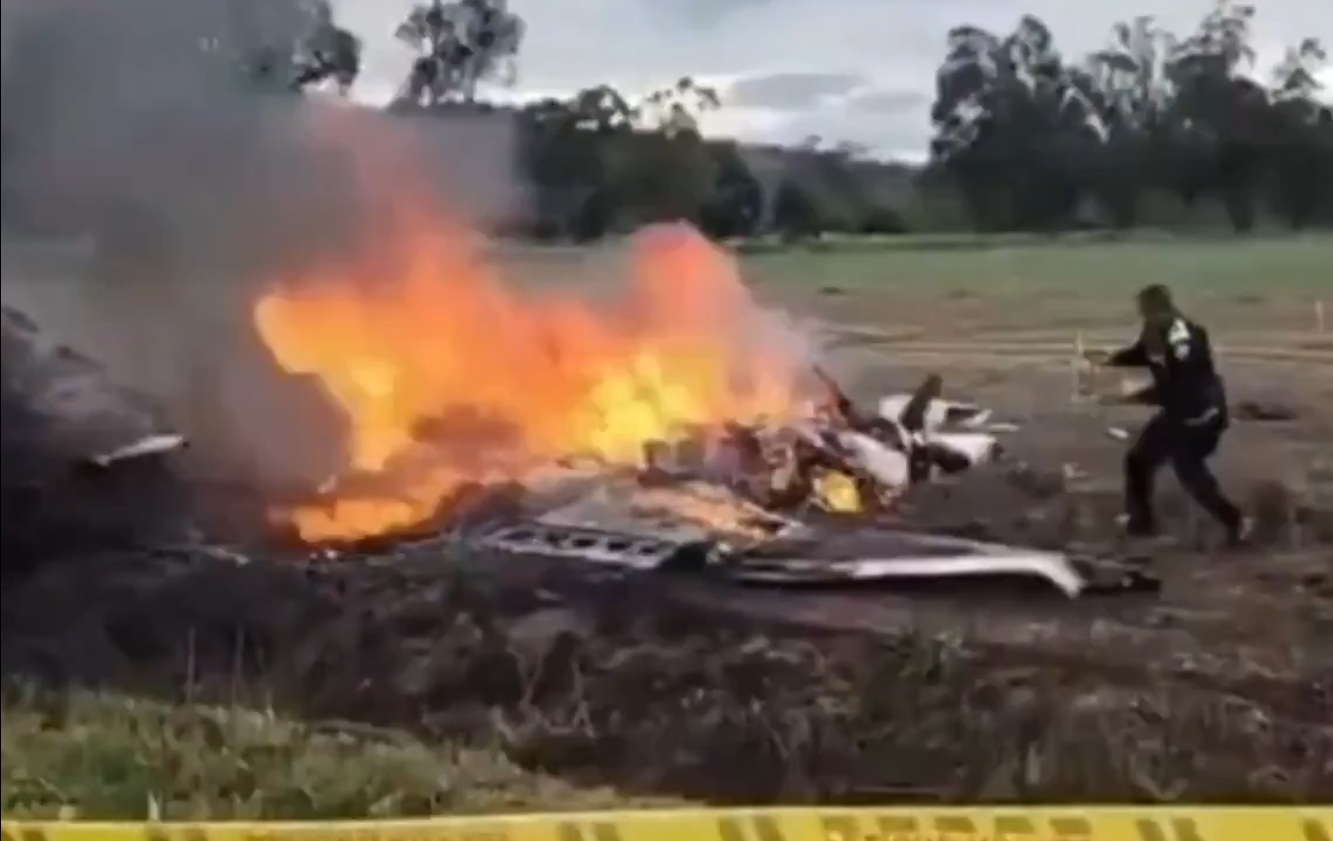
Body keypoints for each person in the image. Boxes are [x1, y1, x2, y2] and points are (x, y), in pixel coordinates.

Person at [1083, 284, 1252, 546]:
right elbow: (1144, 353)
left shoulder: (1185, 340)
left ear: (1158, 308)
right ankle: (1141, 525)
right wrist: (1109, 359)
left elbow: (1178, 388)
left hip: (1200, 415)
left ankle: (1237, 522)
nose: (1143, 318)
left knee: (1189, 472)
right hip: (1178, 413)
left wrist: (1126, 397)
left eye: (1145, 311)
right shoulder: (1156, 328)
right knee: (1138, 460)